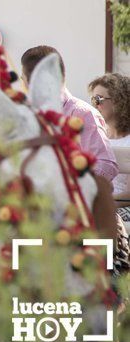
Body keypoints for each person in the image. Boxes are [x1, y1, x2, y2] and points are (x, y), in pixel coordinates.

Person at [21, 46, 118, 182]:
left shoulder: (82, 114)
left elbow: (106, 166)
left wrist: (67, 182)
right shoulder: (30, 115)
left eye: (23, 80)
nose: (24, 87)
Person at [88, 74, 130, 220]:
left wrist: (102, 203)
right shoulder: (96, 136)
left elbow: (128, 195)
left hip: (122, 208)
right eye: (93, 99)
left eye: (99, 99)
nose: (95, 105)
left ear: (119, 101)